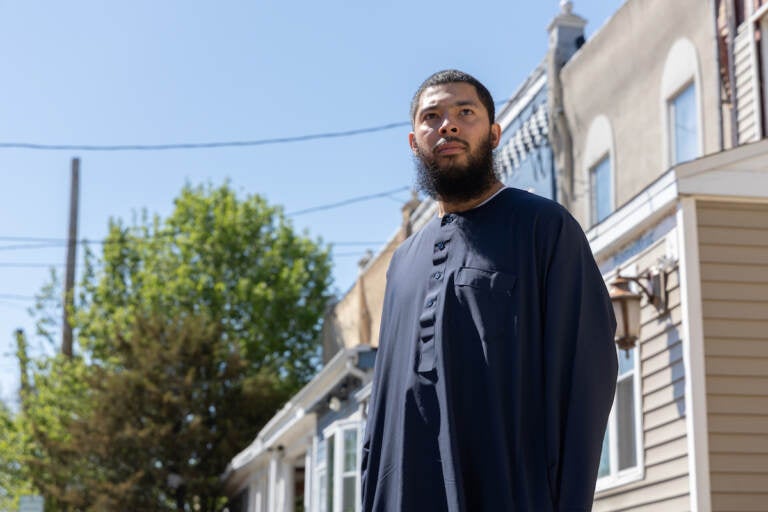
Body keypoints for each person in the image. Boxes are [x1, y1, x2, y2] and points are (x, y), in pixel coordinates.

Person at [360, 69, 618, 511]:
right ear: (414, 141)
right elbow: (382, 409)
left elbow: (585, 378)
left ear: (495, 133)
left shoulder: (544, 227)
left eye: (465, 112)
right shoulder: (403, 263)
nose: (449, 125)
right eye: (432, 116)